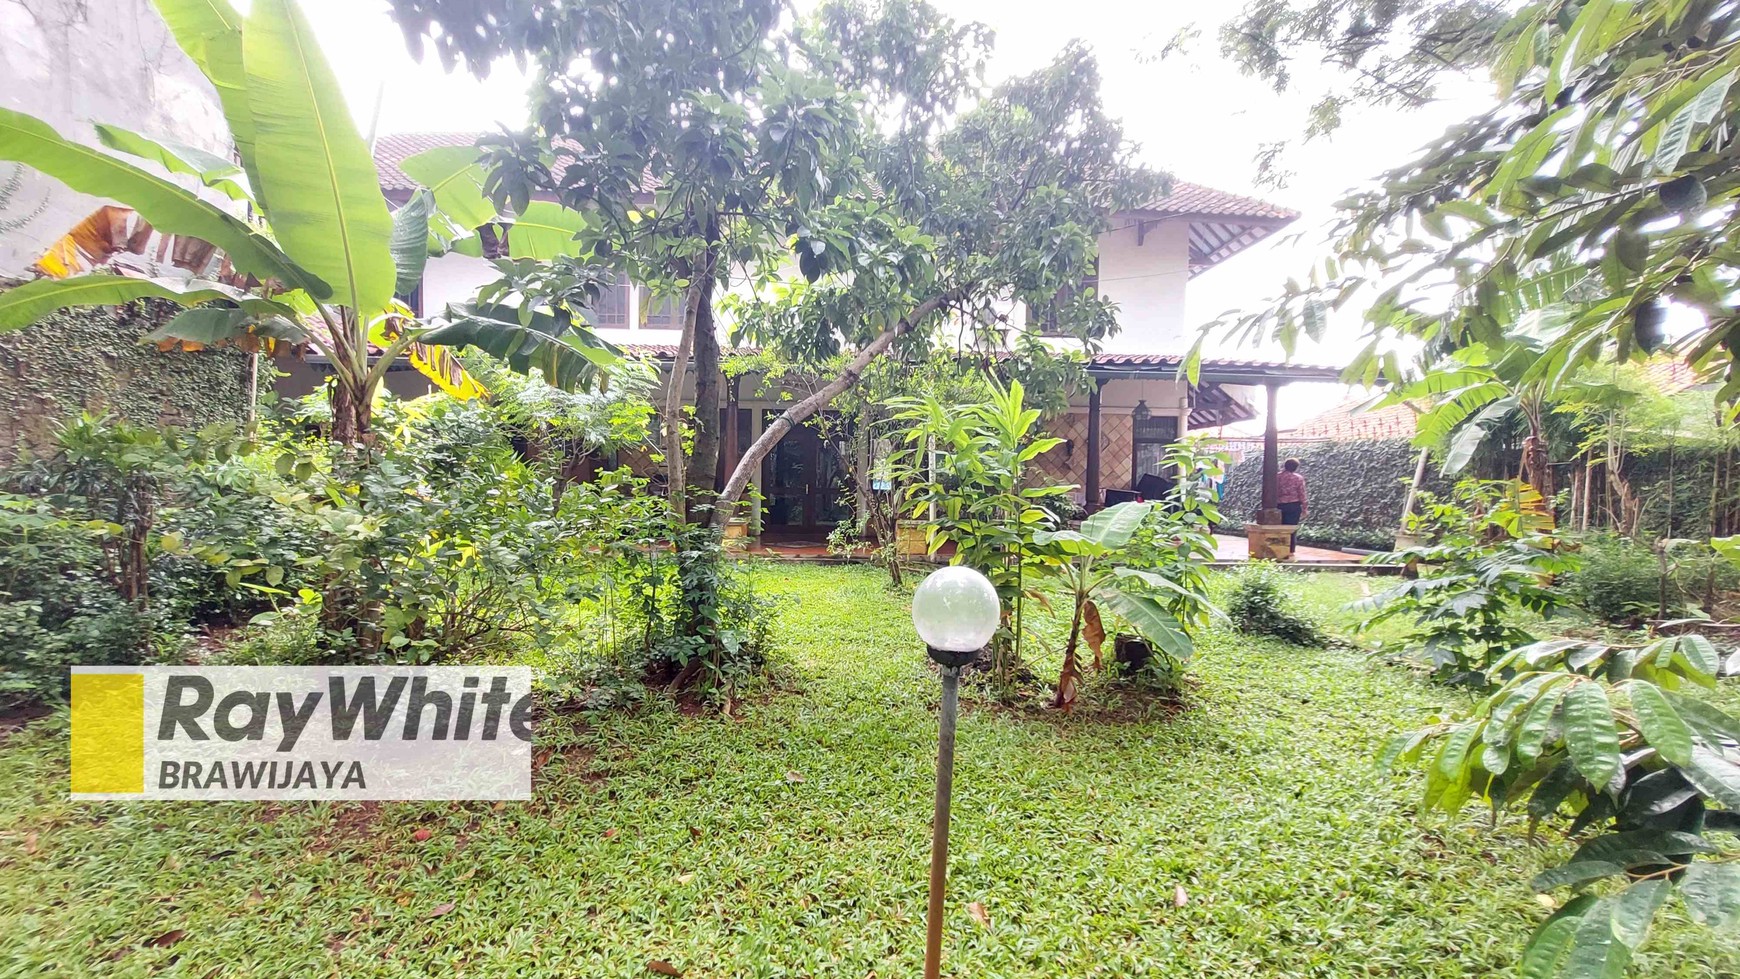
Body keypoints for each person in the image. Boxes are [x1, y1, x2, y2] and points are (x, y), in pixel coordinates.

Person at [1276, 458, 1307, 547]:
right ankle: (1290, 549)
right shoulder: (1298, 478)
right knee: (1291, 528)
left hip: (1279, 505)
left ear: (1285, 466)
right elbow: (1302, 494)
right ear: (1295, 468)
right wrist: (1305, 508)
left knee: (1278, 528)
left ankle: (1279, 547)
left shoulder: (1276, 477)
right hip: (1293, 506)